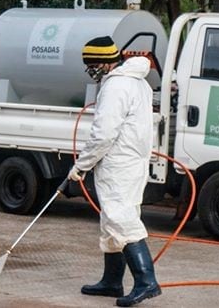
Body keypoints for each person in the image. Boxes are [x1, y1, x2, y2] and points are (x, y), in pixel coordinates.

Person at [67, 36, 161, 307]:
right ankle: (111, 281)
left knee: (121, 218)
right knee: (113, 220)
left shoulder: (116, 86)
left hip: (119, 161)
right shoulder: (138, 81)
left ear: (107, 61)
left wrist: (81, 165)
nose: (92, 70)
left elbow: (104, 133)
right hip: (133, 160)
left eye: (93, 64)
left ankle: (147, 281)